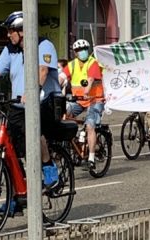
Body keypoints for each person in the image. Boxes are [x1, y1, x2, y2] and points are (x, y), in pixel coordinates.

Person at [0, 11, 61, 216]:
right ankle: (16, 198)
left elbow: (43, 72)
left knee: (34, 131)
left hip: (45, 101)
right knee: (9, 151)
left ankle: (49, 168)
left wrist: (32, 90)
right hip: (19, 105)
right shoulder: (10, 50)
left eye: (11, 31)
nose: (8, 35)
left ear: (22, 30)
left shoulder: (43, 45)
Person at [60, 39, 105, 170]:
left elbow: (90, 79)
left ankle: (91, 158)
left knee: (90, 125)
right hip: (78, 101)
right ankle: (72, 144)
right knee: (64, 114)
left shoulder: (93, 63)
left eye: (84, 49)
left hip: (95, 99)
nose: (82, 52)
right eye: (79, 50)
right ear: (75, 53)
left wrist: (87, 90)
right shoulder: (72, 64)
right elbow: (62, 77)